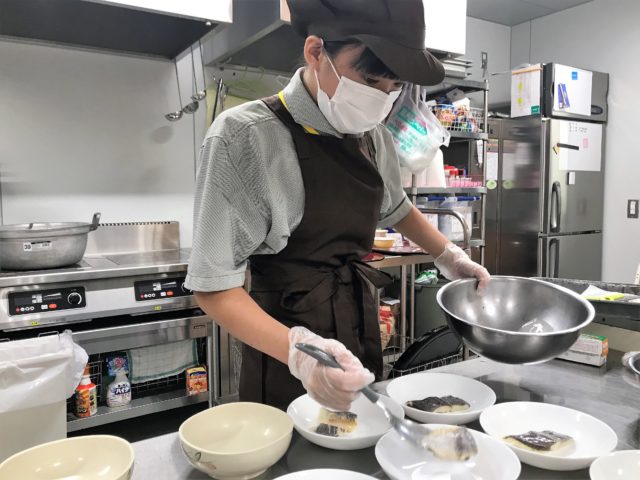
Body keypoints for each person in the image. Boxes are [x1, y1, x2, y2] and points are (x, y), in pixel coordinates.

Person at [185, 0, 490, 412]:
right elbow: (213, 287)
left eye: (392, 87)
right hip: (282, 344)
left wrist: (449, 255)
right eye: (370, 80)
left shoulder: (373, 136)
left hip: (356, 324)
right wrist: (299, 353)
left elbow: (395, 206)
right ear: (316, 52)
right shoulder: (245, 137)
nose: (381, 99)